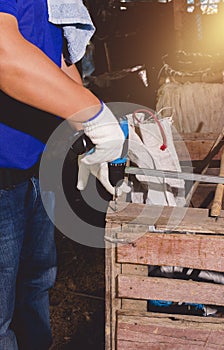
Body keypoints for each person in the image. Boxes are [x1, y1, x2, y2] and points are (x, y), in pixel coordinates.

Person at [0, 1, 125, 349]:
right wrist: (94, 117)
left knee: (35, 286)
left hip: (36, 168)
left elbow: (60, 60)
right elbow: (4, 55)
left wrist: (88, 124)